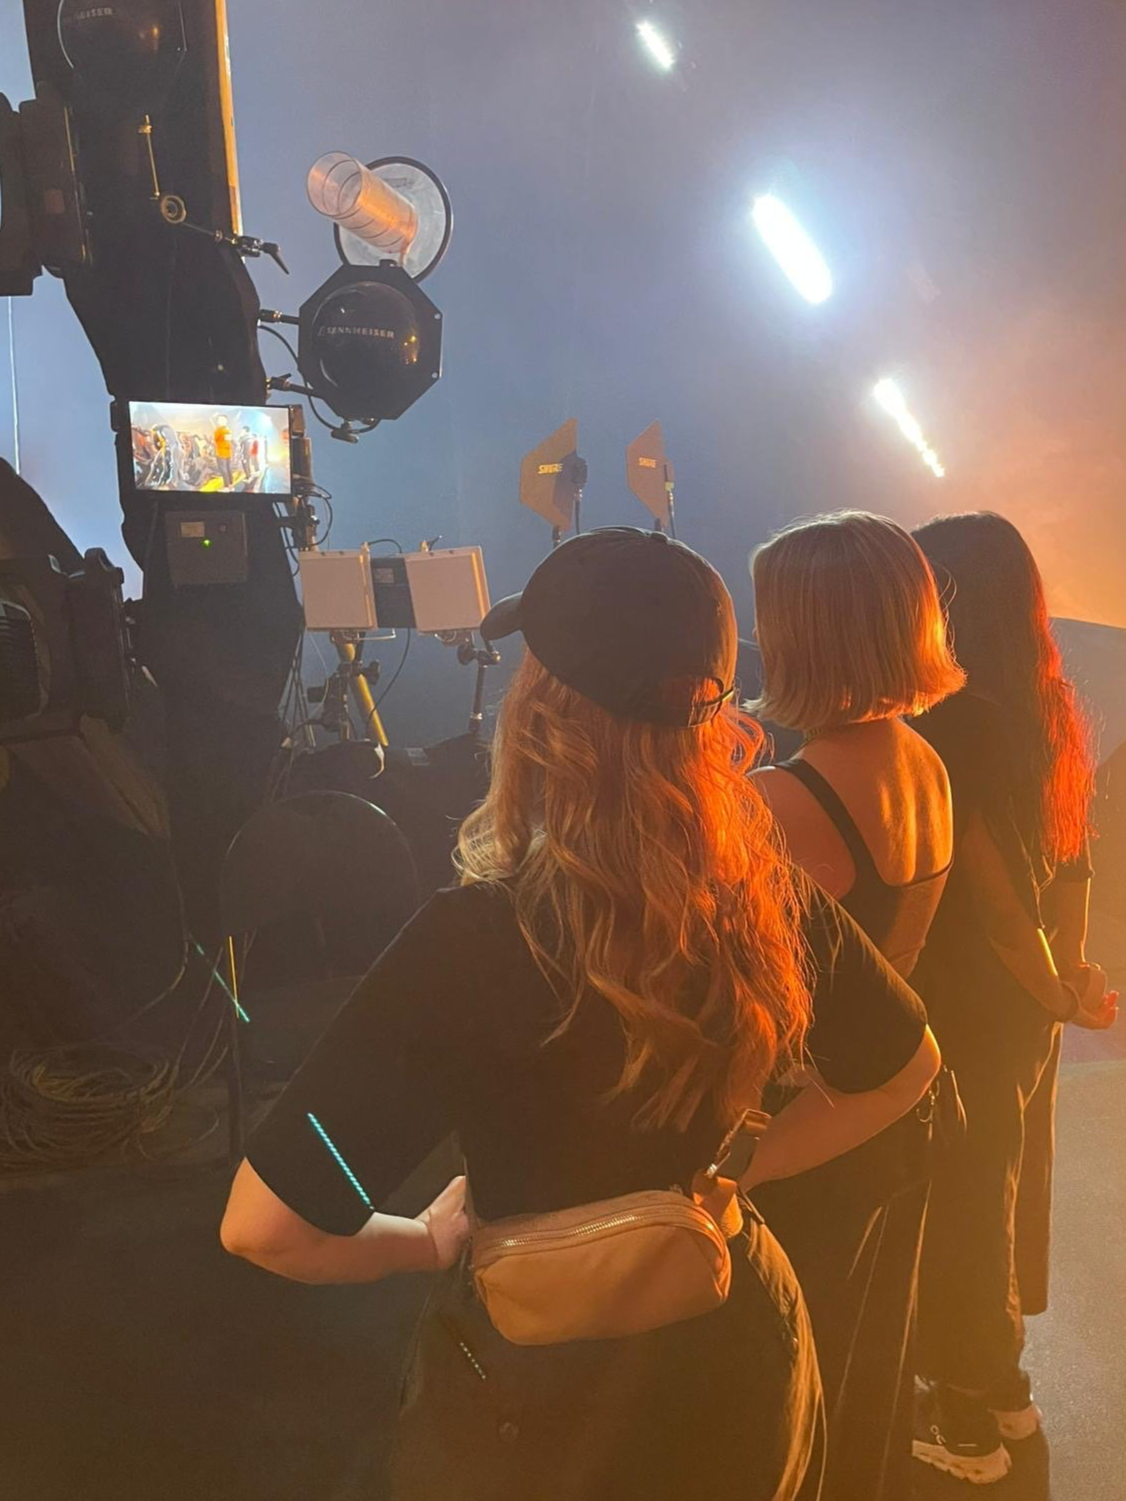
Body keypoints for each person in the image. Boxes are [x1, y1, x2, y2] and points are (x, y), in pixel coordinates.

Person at [221, 528, 940, 1501]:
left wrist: (424, 1242)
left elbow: (266, 1226)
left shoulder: (475, 937)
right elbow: (905, 1068)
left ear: (540, 714)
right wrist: (729, 1169)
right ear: (714, 705)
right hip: (740, 1360)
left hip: (533, 1408)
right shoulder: (761, 887)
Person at [747, 511, 965, 1501]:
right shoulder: (925, 761)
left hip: (808, 1127)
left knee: (785, 1398)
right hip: (897, 1108)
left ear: (801, 633)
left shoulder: (779, 799)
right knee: (869, 1369)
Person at [909, 512, 1118, 1485]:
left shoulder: (951, 723)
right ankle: (1001, 1390)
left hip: (967, 997)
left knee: (959, 1199)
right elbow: (1069, 866)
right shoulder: (1045, 711)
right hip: (1020, 1008)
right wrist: (1068, 982)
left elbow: (993, 907)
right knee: (994, 1186)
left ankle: (966, 1417)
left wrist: (1051, 987)